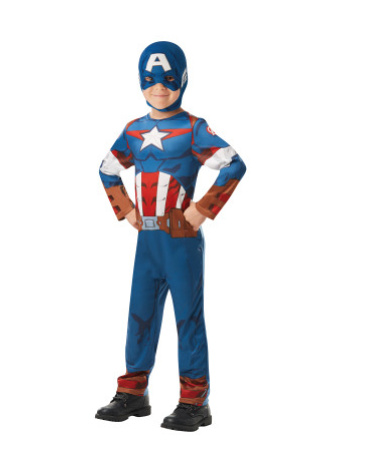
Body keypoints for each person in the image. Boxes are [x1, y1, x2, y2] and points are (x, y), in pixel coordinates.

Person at [95, 41, 246, 432]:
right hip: (147, 241)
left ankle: (194, 401)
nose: (158, 87)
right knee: (140, 315)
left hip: (181, 239)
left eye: (167, 79)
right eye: (149, 79)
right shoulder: (133, 130)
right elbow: (107, 169)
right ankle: (133, 392)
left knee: (187, 318)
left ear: (183, 79)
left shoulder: (193, 128)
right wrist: (126, 209)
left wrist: (201, 210)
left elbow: (234, 164)